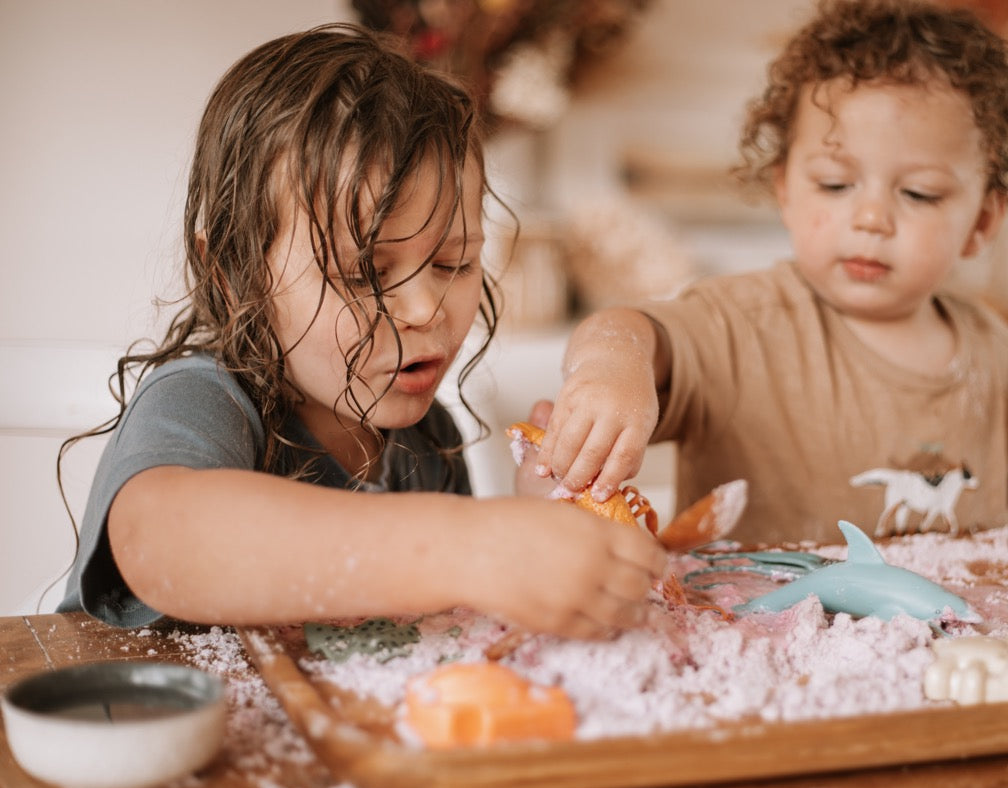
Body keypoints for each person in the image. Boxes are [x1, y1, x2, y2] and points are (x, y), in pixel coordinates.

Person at [55, 24, 666, 633]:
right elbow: (161, 542)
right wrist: (471, 545)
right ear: (235, 272)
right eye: (362, 273)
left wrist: (545, 521)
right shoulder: (204, 399)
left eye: (454, 262)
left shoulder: (428, 442)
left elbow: (430, 637)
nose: (426, 308)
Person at [532, 0, 1008, 544]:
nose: (872, 218)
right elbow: (632, 330)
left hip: (946, 663)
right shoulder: (743, 322)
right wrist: (613, 368)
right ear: (785, 187)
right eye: (836, 182)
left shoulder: (987, 342)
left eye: (920, 194)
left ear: (983, 223)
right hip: (769, 657)